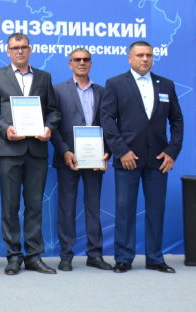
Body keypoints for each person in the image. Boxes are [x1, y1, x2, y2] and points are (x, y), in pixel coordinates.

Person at [100, 40, 183, 273]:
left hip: (158, 159)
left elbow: (177, 120)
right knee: (125, 210)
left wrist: (172, 151)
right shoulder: (115, 84)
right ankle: (123, 258)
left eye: (148, 55)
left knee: (156, 210)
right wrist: (121, 151)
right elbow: (107, 119)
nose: (144, 59)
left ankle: (155, 258)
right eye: (139, 55)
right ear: (129, 58)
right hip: (128, 158)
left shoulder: (166, 84)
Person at [0, 33, 60, 276]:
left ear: (30, 49)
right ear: (8, 51)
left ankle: (34, 255)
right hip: (10, 150)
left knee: (35, 205)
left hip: (36, 150)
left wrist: (49, 128)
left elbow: (54, 111)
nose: (20, 51)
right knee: (9, 206)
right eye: (15, 47)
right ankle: (14, 256)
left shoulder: (44, 77)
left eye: (24, 47)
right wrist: (5, 129)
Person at [51, 48, 112, 272]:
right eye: (77, 60)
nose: (82, 63)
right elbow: (53, 125)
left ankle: (95, 254)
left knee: (93, 206)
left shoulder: (102, 91)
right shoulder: (58, 90)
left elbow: (109, 124)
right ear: (70, 64)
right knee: (66, 207)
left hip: (95, 159)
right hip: (69, 158)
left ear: (91, 63)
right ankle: (66, 256)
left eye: (86, 59)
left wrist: (107, 152)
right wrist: (64, 151)